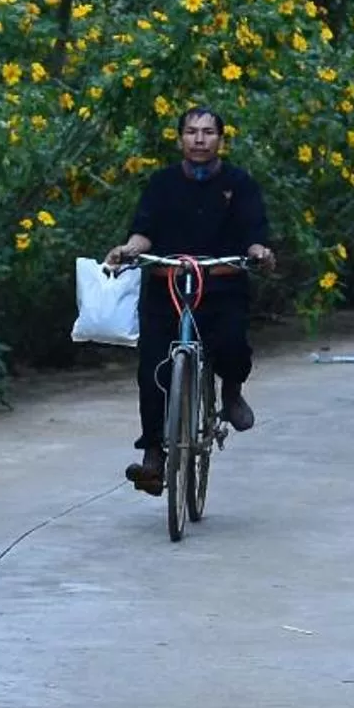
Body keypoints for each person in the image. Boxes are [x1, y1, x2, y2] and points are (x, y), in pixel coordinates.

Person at [103, 105, 274, 495]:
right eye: (192, 132)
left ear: (220, 139)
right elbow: (143, 231)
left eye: (208, 132)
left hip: (221, 285)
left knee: (232, 343)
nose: (200, 139)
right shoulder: (162, 183)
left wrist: (259, 251)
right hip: (167, 287)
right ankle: (153, 455)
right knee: (152, 369)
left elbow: (254, 230)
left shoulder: (240, 183)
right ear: (180, 138)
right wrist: (129, 249)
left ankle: (230, 391)